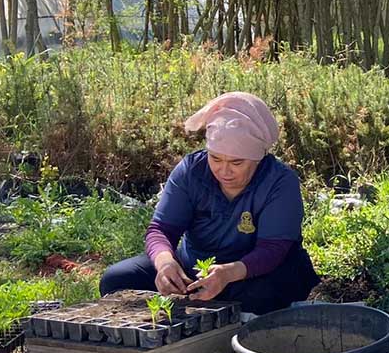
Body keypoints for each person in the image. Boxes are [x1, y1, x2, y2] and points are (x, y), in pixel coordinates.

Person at [99, 91, 320, 314]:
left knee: (258, 296)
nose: (224, 171)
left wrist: (227, 273)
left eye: (236, 162)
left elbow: (273, 249)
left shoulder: (279, 182)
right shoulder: (191, 172)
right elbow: (161, 229)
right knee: (116, 280)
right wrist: (165, 263)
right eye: (215, 158)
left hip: (255, 272)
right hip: (195, 269)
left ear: (257, 158)